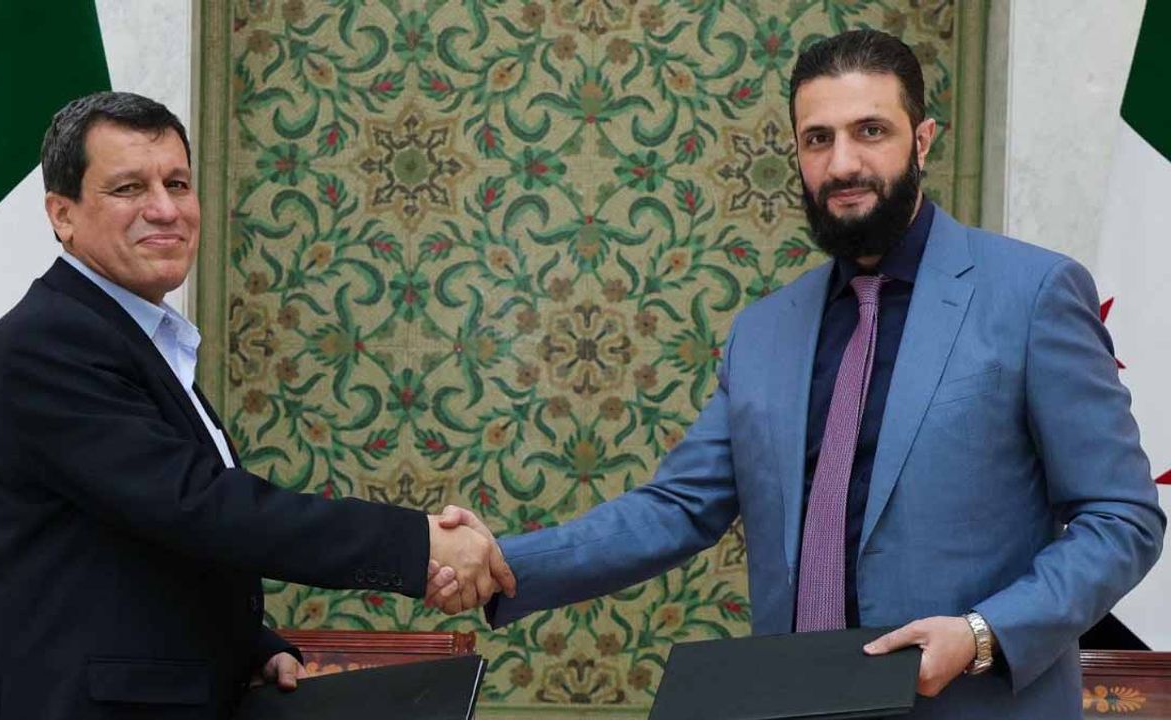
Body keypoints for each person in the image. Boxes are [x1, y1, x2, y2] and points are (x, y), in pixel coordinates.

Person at [430, 29, 1165, 718]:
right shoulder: (764, 332)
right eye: (819, 139)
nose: (842, 164)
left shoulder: (1032, 295)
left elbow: (1121, 518)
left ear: (922, 140)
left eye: (870, 131)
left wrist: (981, 634)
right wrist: (500, 561)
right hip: (795, 700)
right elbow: (677, 508)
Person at [0, 91, 511, 720]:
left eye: (177, 184)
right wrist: (415, 545)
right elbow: (200, 505)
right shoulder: (46, 345)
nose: (165, 209)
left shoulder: (132, 337)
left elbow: (140, 547)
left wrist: (247, 648)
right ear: (63, 214)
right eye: (129, 188)